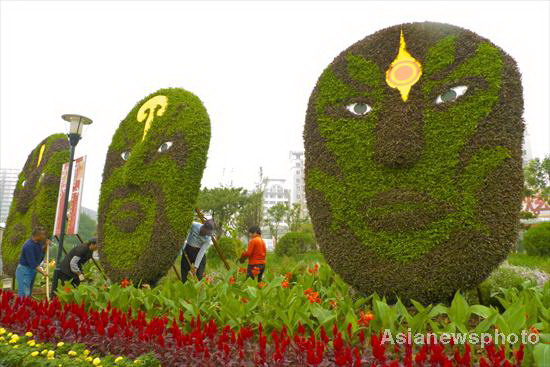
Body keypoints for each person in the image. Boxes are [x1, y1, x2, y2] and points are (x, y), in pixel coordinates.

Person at [15, 226, 49, 298]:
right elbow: (33, 264)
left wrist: (46, 246)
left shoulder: (38, 243)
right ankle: (22, 308)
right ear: (38, 235)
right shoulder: (28, 246)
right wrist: (43, 272)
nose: (44, 236)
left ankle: (27, 308)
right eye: (43, 235)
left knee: (28, 293)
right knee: (24, 294)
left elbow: (40, 253)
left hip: (32, 270)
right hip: (24, 271)